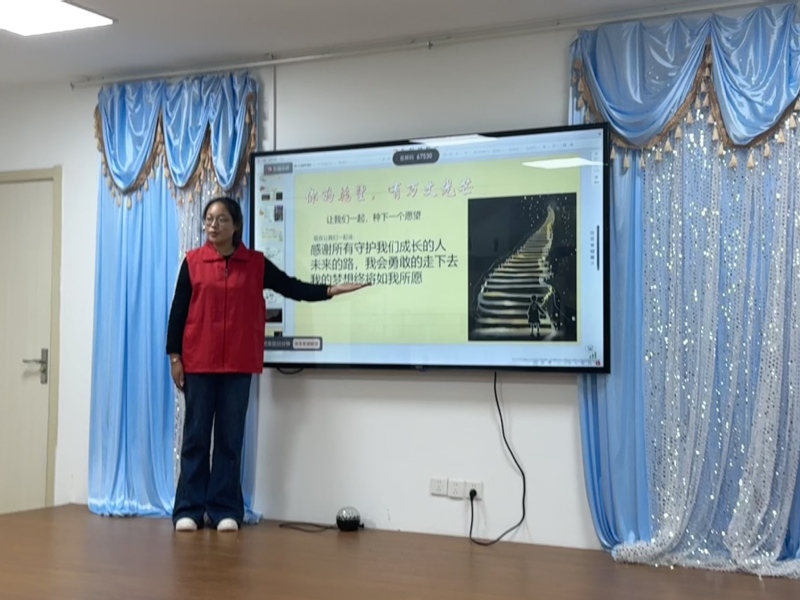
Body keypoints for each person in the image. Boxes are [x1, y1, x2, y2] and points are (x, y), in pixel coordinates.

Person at [166, 196, 367, 533]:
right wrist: (175, 357)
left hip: (238, 365)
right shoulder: (193, 262)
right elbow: (178, 311)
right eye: (209, 219)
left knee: (230, 440)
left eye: (221, 219)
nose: (213, 225)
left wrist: (330, 290)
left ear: (236, 225)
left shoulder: (255, 264)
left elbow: (291, 287)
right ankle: (188, 508)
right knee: (196, 438)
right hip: (199, 363)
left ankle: (224, 509)